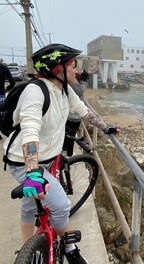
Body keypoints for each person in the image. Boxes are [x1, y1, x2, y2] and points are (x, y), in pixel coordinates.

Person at [3, 43, 120, 264]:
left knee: (30, 204)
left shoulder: (65, 90)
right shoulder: (35, 91)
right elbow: (30, 130)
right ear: (57, 69)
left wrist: (106, 128)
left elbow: (85, 113)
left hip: (47, 158)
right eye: (71, 66)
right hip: (25, 162)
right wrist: (33, 173)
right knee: (61, 205)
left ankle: (27, 250)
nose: (76, 71)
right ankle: (69, 248)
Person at [63, 69, 89, 156]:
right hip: (73, 116)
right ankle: (69, 154)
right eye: (73, 67)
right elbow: (80, 91)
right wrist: (85, 81)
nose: (76, 71)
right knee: (71, 136)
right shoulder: (72, 84)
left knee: (68, 135)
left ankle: (66, 152)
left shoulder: (70, 83)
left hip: (70, 115)